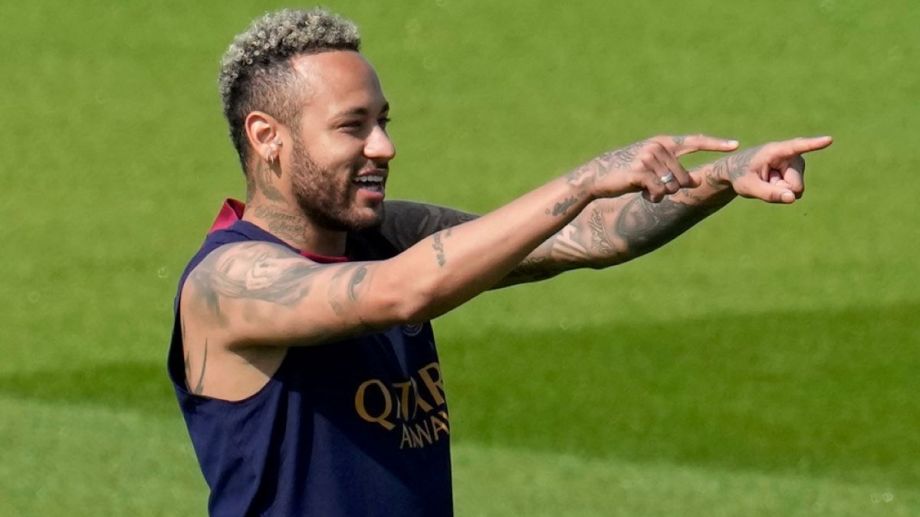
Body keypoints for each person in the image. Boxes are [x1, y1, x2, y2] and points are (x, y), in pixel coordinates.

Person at [166, 7, 832, 516]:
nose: (384, 146)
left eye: (384, 121)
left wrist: (722, 178)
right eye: (353, 125)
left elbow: (581, 237)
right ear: (268, 137)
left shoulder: (385, 233)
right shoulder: (227, 285)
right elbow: (399, 293)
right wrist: (586, 178)